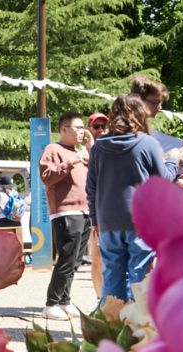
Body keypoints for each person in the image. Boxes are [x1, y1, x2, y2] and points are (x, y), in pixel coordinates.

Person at [87, 94, 178, 303]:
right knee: (140, 279)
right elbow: (162, 179)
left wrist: (95, 221)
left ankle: (111, 327)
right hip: (140, 221)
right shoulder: (147, 144)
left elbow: (91, 187)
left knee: (112, 279)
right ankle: (137, 330)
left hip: (108, 221)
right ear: (140, 114)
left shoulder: (99, 147)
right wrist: (174, 160)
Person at [38, 112, 92, 320]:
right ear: (63, 129)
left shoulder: (81, 152)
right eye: (77, 128)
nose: (81, 131)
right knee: (67, 258)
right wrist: (71, 161)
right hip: (66, 212)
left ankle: (64, 300)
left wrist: (90, 148)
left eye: (82, 128)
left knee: (76, 260)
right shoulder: (53, 149)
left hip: (85, 211)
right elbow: (47, 177)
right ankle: (51, 303)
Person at [85, 112, 108, 301]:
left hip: (109, 211)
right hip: (90, 212)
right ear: (88, 128)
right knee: (98, 258)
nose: (100, 130)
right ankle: (99, 298)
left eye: (103, 126)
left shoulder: (110, 149)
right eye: (96, 126)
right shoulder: (81, 151)